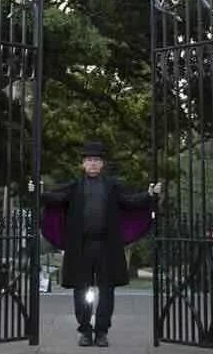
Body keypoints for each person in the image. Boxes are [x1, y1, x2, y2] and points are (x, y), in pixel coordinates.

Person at [37, 140, 161, 347]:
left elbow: (130, 201)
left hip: (106, 247)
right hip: (81, 247)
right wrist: (38, 191)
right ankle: (85, 330)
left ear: (102, 164)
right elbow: (54, 199)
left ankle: (102, 332)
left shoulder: (112, 186)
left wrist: (149, 195)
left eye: (96, 160)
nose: (92, 163)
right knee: (80, 289)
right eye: (88, 160)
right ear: (83, 164)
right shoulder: (75, 186)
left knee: (107, 290)